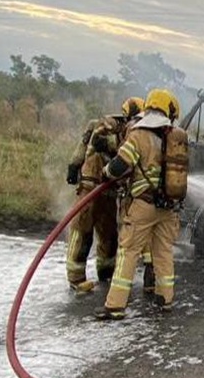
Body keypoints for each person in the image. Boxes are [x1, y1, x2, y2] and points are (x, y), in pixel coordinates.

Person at [96, 88, 189, 320]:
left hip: (142, 206)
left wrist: (105, 172)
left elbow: (119, 167)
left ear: (149, 107)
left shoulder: (138, 135)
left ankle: (115, 305)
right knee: (163, 253)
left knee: (128, 252)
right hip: (168, 208)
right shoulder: (174, 137)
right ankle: (165, 300)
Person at [63, 96, 144, 294]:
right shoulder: (109, 124)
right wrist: (74, 167)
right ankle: (76, 278)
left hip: (109, 191)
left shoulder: (130, 131)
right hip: (91, 187)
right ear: (130, 116)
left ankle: (106, 273)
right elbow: (96, 142)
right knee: (82, 230)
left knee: (109, 233)